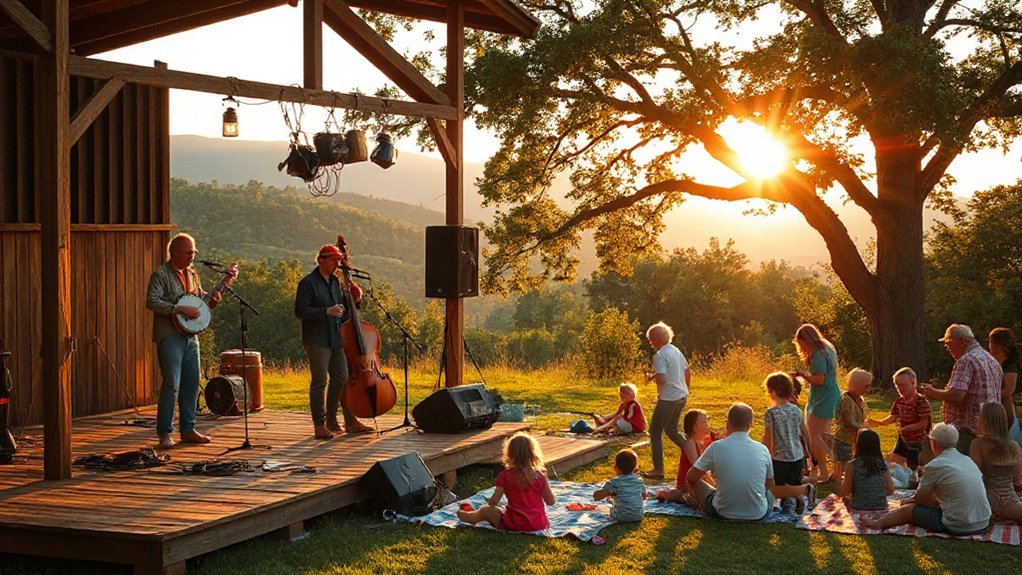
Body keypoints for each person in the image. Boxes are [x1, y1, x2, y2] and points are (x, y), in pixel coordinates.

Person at [146, 233, 237, 449]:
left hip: (190, 337)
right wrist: (177, 308)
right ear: (175, 252)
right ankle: (165, 432)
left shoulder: (192, 272)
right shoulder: (160, 274)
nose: (192, 257)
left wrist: (215, 295)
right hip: (169, 336)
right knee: (172, 384)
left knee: (191, 383)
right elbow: (151, 301)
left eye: (194, 252)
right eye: (189, 253)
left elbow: (199, 298)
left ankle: (187, 429)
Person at [294, 243, 372, 439]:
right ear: (321, 260)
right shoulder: (308, 283)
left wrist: (355, 295)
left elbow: (346, 307)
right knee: (319, 382)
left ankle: (333, 419)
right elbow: (300, 311)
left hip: (336, 337)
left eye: (339, 260)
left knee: (342, 378)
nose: (337, 264)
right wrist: (325, 311)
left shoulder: (336, 282)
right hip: (317, 339)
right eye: (334, 260)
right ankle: (319, 425)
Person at [687, 403, 814, 521]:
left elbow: (691, 477)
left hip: (723, 511)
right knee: (769, 491)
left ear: (727, 424)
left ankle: (704, 506)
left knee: (693, 482)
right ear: (751, 424)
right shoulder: (762, 449)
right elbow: (769, 484)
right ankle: (796, 491)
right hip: (758, 513)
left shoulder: (716, 447)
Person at [860, 423, 991, 535]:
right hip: (982, 521)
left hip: (958, 525)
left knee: (909, 509)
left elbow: (920, 499)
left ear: (936, 444)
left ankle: (878, 524)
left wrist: (907, 501)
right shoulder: (966, 460)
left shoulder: (935, 466)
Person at [920, 324, 1002, 454]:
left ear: (961, 341)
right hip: (991, 428)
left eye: (948, 343)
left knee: (963, 467)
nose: (947, 348)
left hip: (967, 431)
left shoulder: (966, 360)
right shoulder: (991, 360)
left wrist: (932, 392)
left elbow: (957, 395)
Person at [457, 432, 555, 531]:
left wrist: (490, 502)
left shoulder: (505, 475)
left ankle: (468, 517)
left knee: (486, 510)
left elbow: (494, 501)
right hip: (539, 525)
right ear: (533, 454)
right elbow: (550, 502)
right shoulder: (540, 477)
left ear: (509, 454)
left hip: (514, 525)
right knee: (504, 510)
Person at [641, 322, 690, 479]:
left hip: (668, 398)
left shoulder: (660, 355)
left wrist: (660, 394)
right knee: (671, 430)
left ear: (656, 339)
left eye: (650, 339)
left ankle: (658, 470)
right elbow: (687, 371)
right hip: (681, 396)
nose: (650, 342)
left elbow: (662, 379)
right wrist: (686, 389)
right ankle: (696, 455)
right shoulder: (675, 351)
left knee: (654, 431)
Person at [793, 323, 841, 483]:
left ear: (807, 340)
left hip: (824, 398)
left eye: (802, 343)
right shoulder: (827, 347)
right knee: (817, 436)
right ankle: (824, 473)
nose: (801, 347)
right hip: (827, 395)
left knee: (812, 436)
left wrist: (802, 375)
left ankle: (834, 461)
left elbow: (819, 379)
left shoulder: (818, 355)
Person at [761, 372, 811, 513]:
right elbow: (806, 433)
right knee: (794, 482)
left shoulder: (771, 413)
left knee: (776, 485)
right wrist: (810, 452)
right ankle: (799, 500)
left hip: (779, 457)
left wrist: (767, 454)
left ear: (773, 392)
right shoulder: (796, 410)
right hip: (797, 455)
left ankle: (781, 503)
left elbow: (769, 437)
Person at [969, 402, 1022, 521]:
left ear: (987, 421)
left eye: (979, 416)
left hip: (987, 501)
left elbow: (973, 477)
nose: (977, 418)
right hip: (1011, 503)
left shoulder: (977, 444)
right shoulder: (1014, 446)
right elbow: (1018, 479)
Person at [871, 367, 932, 470]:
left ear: (913, 383)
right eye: (897, 385)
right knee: (892, 462)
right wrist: (879, 422)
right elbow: (892, 417)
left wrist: (908, 428)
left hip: (918, 443)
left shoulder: (921, 403)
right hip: (903, 439)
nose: (900, 388)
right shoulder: (899, 402)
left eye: (903, 385)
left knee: (915, 467)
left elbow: (924, 423)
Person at [655, 409, 714, 505]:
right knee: (700, 502)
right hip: (687, 485)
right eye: (704, 421)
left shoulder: (701, 443)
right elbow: (698, 468)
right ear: (695, 427)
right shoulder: (690, 444)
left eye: (707, 420)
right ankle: (675, 496)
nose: (707, 424)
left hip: (698, 483)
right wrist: (711, 482)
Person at [833, 368, 873, 483]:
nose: (868, 389)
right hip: (844, 440)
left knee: (851, 466)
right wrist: (863, 427)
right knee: (844, 466)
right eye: (866, 386)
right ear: (856, 384)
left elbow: (862, 418)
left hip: (855, 440)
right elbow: (848, 424)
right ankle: (840, 485)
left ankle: (840, 481)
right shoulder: (846, 400)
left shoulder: (860, 399)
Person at [840, 429, 893, 511]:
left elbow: (845, 492)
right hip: (881, 506)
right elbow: (890, 490)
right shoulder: (883, 464)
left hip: (859, 506)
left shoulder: (852, 465)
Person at [594, 449, 647, 522]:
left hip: (621, 516)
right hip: (639, 516)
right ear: (635, 467)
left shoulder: (614, 482)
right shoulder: (639, 481)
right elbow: (644, 496)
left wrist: (607, 491)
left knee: (606, 507)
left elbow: (596, 497)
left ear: (616, 467)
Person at [988, 328, 1021, 443]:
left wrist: (985, 394)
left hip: (1006, 414)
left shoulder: (1010, 366)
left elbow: (1007, 392)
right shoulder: (996, 362)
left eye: (995, 352)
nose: (992, 355)